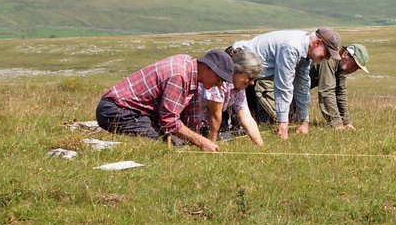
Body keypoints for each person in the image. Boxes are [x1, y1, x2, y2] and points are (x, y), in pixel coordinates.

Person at [95, 49, 232, 152]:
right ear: (208, 68)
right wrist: (202, 142)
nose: (219, 85)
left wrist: (198, 139)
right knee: (169, 147)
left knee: (177, 142)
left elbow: (188, 116)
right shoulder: (180, 76)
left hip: (133, 111)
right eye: (220, 79)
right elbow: (169, 120)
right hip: (117, 111)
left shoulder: (190, 67)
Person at [232, 28, 341, 140]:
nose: (327, 58)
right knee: (229, 114)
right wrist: (283, 126)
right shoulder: (292, 47)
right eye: (327, 52)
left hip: (253, 75)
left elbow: (302, 85)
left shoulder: (305, 51)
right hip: (238, 66)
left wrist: (305, 121)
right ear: (317, 43)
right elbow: (283, 85)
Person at [197, 46, 265, 146]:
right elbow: (215, 114)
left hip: (207, 126)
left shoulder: (239, 87)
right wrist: (211, 145)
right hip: (192, 123)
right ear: (236, 71)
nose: (252, 83)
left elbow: (246, 118)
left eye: (254, 78)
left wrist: (261, 147)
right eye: (250, 77)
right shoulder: (220, 80)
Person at [312, 42, 370, 130]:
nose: (353, 70)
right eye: (354, 64)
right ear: (345, 54)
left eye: (357, 68)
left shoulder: (341, 65)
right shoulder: (330, 57)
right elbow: (326, 91)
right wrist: (337, 125)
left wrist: (346, 122)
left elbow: (340, 92)